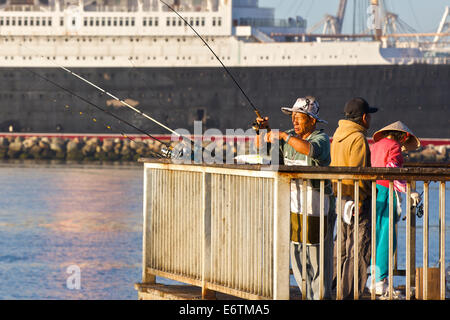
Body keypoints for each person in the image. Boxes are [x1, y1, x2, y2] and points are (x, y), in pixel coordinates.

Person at [256, 96, 335, 299]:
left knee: (318, 261)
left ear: (312, 120)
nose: (295, 121)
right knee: (297, 257)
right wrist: (263, 130)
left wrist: (282, 136)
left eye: (299, 117)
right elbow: (264, 150)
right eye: (293, 117)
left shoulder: (321, 139)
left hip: (318, 208)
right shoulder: (289, 137)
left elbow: (310, 150)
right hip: (294, 207)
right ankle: (307, 295)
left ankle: (320, 297)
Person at [330, 97, 378, 299]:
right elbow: (359, 172)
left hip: (341, 196)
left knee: (340, 244)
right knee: (359, 249)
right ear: (365, 117)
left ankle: (331, 286)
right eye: (370, 117)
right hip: (356, 200)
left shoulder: (338, 135)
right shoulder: (358, 138)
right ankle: (350, 294)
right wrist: (360, 200)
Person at [368, 121, 421, 295]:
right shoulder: (394, 146)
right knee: (388, 237)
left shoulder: (376, 146)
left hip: (374, 190)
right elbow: (393, 170)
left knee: (376, 235)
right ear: (403, 136)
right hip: (387, 191)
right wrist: (409, 191)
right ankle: (380, 280)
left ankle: (373, 277)